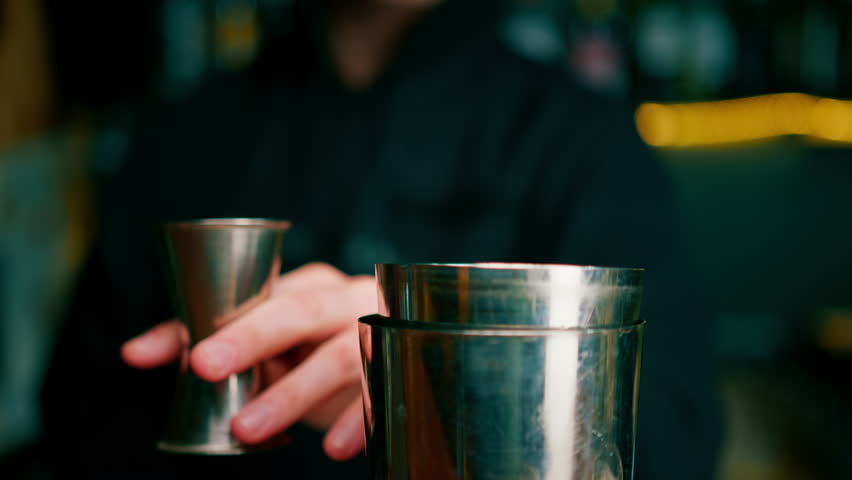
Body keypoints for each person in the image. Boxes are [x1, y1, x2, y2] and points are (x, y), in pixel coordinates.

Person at [33, 0, 721, 478]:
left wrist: (447, 383)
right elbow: (72, 429)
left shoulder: (586, 146)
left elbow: (673, 444)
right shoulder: (180, 140)